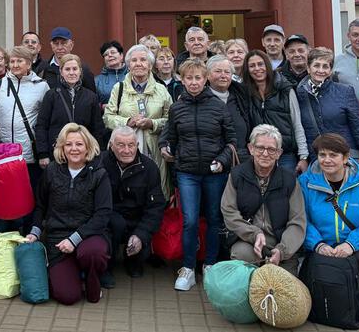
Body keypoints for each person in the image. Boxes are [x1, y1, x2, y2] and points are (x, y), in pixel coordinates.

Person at [158, 58, 236, 291]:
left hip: (214, 172)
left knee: (213, 218)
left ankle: (210, 264)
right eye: (189, 78)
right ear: (182, 80)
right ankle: (188, 268)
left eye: (198, 78)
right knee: (190, 220)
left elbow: (231, 140)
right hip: (187, 172)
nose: (193, 82)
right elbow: (168, 136)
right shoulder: (177, 107)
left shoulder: (218, 106)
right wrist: (165, 147)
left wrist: (222, 161)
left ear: (206, 80)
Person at [26, 124, 111, 304]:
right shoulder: (51, 171)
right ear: (62, 148)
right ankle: (72, 275)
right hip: (57, 240)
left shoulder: (99, 174)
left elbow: (103, 214)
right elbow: (40, 205)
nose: (74, 149)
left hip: (89, 236)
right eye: (68, 144)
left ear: (88, 147)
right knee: (67, 297)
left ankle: (92, 282)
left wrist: (74, 239)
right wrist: (35, 232)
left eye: (79, 144)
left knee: (93, 253)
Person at [299, 132, 359, 297]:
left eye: (333, 155)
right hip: (320, 245)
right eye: (322, 155)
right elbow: (300, 219)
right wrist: (318, 244)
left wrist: (351, 244)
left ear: (345, 158)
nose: (327, 160)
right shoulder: (305, 183)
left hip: (356, 245)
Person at [221, 124, 306, 274]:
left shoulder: (289, 180)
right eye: (260, 148)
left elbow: (297, 221)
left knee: (284, 284)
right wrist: (254, 233)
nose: (265, 154)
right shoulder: (237, 175)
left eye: (271, 149)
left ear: (279, 153)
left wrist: (282, 250)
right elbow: (229, 212)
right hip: (248, 240)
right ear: (251, 148)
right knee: (241, 256)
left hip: (280, 243)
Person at [0, 45, 50, 231]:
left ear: (29, 64)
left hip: (28, 155)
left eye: (20, 61)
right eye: (12, 61)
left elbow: (44, 119)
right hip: (4, 157)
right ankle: (4, 240)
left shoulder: (41, 86)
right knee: (6, 202)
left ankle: (28, 237)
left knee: (28, 200)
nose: (15, 65)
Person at [297, 48, 359, 176]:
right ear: (308, 68)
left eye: (325, 66)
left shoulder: (344, 92)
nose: (321, 70)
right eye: (316, 65)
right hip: (318, 160)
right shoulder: (300, 94)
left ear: (330, 70)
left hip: (345, 158)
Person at [100, 127, 164, 287]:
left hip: (137, 220)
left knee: (140, 251)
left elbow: (156, 207)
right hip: (109, 219)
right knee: (115, 225)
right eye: (121, 145)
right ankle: (106, 266)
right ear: (111, 146)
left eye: (131, 145)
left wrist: (141, 234)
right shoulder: (100, 162)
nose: (127, 150)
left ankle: (132, 259)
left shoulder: (150, 168)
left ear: (137, 145)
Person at [233, 50, 309, 173]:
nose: (257, 68)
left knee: (286, 185)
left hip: (284, 154)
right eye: (252, 66)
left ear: (267, 65)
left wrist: (303, 156)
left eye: (260, 64)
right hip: (257, 155)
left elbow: (297, 123)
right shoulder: (244, 93)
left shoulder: (285, 89)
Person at [103, 45, 171, 168]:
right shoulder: (119, 88)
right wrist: (127, 122)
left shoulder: (161, 90)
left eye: (143, 60)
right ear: (128, 66)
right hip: (124, 149)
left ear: (150, 65)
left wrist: (152, 123)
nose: (138, 64)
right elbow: (108, 118)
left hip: (154, 150)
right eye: (134, 60)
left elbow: (171, 120)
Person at [36, 54, 105, 165]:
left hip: (83, 153)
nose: (71, 73)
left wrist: (98, 153)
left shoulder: (91, 97)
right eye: (67, 69)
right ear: (61, 71)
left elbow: (97, 128)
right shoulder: (51, 95)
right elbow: (41, 125)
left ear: (80, 71)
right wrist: (43, 154)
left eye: (75, 69)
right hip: (57, 153)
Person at [37, 27, 97, 92]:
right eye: (56, 43)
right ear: (51, 45)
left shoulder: (83, 69)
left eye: (63, 43)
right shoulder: (43, 67)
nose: (59, 47)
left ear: (71, 45)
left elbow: (91, 95)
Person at [95, 40, 128, 105]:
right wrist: (101, 106)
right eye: (106, 54)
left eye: (113, 52)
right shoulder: (97, 81)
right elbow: (93, 103)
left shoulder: (132, 75)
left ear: (121, 55)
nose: (109, 55)